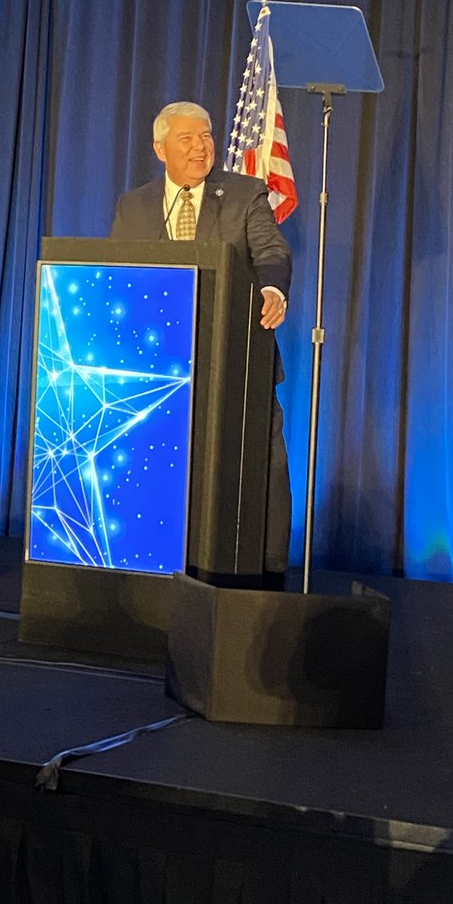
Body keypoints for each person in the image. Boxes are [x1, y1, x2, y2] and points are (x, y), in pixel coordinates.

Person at [111, 100, 292, 580]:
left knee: (261, 467)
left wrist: (272, 288)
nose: (200, 147)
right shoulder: (134, 206)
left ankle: (262, 575)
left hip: (236, 364)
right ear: (160, 148)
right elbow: (118, 277)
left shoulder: (245, 194)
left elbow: (272, 252)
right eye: (187, 139)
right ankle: (149, 566)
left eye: (206, 136)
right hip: (158, 370)